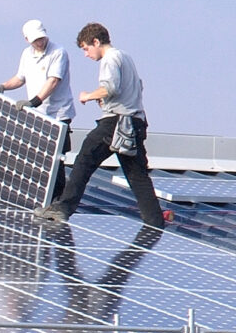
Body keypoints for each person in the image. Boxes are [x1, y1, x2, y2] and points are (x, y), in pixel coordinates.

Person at [44, 23, 168, 226]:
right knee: (137, 176)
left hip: (116, 122)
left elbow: (110, 87)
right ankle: (155, 222)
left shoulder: (109, 59)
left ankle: (63, 207)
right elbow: (135, 87)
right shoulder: (125, 57)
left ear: (96, 42)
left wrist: (88, 96)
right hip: (135, 122)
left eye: (86, 49)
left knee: (85, 159)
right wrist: (107, 100)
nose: (86, 54)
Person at [0, 19, 76, 208]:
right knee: (39, 157)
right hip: (39, 115)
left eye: (41, 38)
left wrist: (34, 101)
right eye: (36, 40)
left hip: (57, 115)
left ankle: (57, 200)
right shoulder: (26, 54)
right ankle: (41, 198)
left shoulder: (58, 52)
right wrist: (3, 86)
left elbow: (53, 81)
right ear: (27, 39)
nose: (40, 42)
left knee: (55, 159)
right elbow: (20, 78)